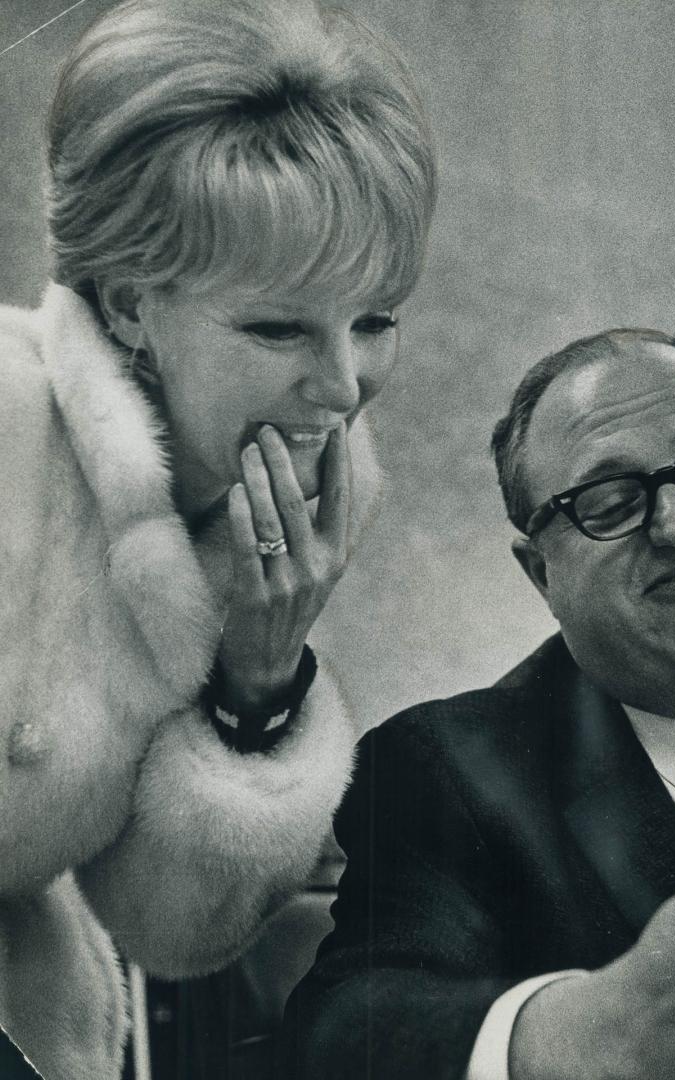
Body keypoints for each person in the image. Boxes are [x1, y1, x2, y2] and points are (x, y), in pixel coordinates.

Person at [0, 0, 436, 1077]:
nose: (341, 387)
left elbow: (171, 929)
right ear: (132, 304)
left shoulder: (315, 488)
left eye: (375, 318)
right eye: (278, 326)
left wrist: (260, 677)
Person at [285, 329, 675, 1079]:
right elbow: (344, 1033)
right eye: (609, 501)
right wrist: (599, 1031)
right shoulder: (445, 769)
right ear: (542, 573)